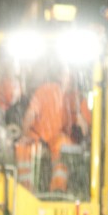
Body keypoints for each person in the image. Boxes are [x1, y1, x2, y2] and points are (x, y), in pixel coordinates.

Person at [18, 64, 90, 192]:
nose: (70, 78)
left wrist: (78, 112)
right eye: (68, 74)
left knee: (64, 148)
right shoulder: (46, 91)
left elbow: (85, 130)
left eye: (73, 74)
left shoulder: (78, 99)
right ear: (60, 75)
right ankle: (25, 191)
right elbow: (31, 114)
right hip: (38, 137)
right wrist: (24, 136)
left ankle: (57, 190)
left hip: (59, 140)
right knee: (23, 147)